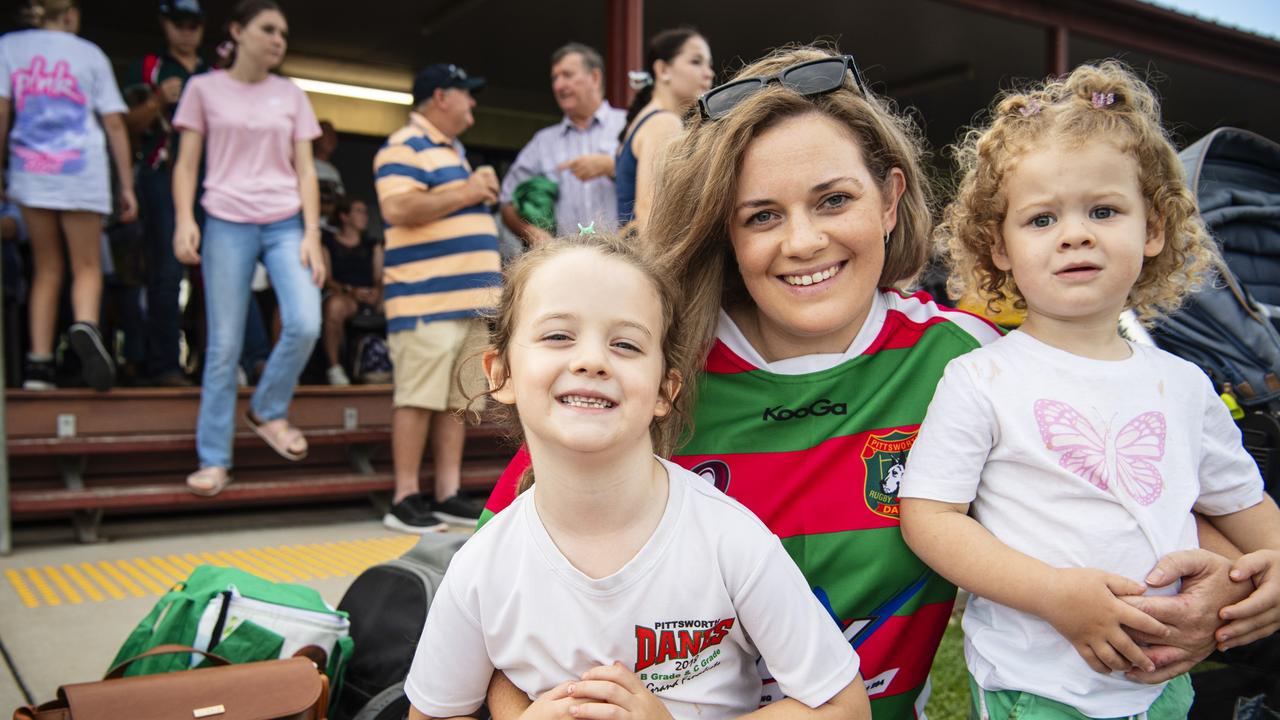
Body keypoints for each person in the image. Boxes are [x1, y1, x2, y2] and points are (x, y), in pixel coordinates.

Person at [479, 47, 1277, 719]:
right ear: (723, 227)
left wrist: (1214, 596)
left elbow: (1131, 486)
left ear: (892, 200)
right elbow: (490, 599)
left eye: (834, 200)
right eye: (761, 216)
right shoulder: (646, 370)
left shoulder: (965, 361)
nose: (803, 241)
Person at [899, 61, 1280, 720]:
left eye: (1104, 210)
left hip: (1165, 684)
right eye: (1041, 219)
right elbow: (928, 518)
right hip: (1039, 688)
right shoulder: (983, 378)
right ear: (999, 246)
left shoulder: (1184, 385)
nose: (1075, 233)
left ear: (1153, 229)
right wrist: (1053, 593)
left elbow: (1246, 508)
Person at [404, 233, 871, 720]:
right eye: (558, 335)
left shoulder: (729, 540)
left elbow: (843, 706)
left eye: (625, 344)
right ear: (499, 374)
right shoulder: (481, 567)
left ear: (664, 390)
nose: (590, 360)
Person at [171, 0, 324, 496]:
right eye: (268, 29)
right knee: (224, 346)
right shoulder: (203, 88)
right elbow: (186, 164)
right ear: (237, 31)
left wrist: (313, 235)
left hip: (284, 221)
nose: (279, 39)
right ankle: (214, 459)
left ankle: (267, 409)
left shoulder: (291, 94)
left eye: (283, 32)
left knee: (305, 320)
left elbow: (305, 169)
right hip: (225, 219)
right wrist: (183, 220)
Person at [374, 62, 501, 532]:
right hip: (425, 300)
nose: (473, 103)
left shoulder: (453, 151)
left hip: (465, 301)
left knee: (458, 400)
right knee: (418, 397)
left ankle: (447, 492)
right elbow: (397, 207)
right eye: (467, 93)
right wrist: (469, 192)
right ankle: (405, 495)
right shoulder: (403, 146)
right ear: (442, 97)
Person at [0, 0, 137, 392]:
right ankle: (85, 327)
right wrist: (126, 185)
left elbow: (2, 112)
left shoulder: (10, 47)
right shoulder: (89, 53)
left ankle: (38, 366)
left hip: (31, 169)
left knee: (46, 268)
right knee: (88, 267)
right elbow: (113, 122)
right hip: (81, 170)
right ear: (71, 14)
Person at [123, 0, 208, 387]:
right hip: (162, 175)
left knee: (219, 273)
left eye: (194, 24)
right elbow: (124, 126)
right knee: (167, 272)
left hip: (213, 180)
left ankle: (223, 362)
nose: (187, 31)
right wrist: (158, 100)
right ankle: (165, 366)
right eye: (180, 23)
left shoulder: (214, 73)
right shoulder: (150, 68)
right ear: (165, 24)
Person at [498, 43, 627, 243]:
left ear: (595, 77)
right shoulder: (543, 142)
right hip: (566, 265)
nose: (558, 85)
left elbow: (661, 183)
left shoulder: (628, 124)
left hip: (627, 260)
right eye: (555, 78)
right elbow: (506, 201)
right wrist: (535, 236)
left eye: (567, 75)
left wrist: (613, 167)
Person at [614, 28, 713, 231]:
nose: (709, 73)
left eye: (709, 64)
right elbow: (650, 216)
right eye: (696, 61)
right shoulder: (663, 123)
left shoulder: (647, 120)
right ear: (662, 70)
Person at [321, 196, 382, 385]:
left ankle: (392, 365)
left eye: (365, 211)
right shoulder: (328, 243)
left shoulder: (373, 245)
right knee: (334, 307)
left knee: (398, 303)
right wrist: (350, 290)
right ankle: (335, 368)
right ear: (344, 216)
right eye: (359, 211)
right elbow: (326, 278)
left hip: (371, 294)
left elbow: (379, 277)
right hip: (344, 294)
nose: (365, 216)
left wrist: (377, 292)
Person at [314, 119, 344, 226]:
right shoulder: (305, 167)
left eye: (333, 135)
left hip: (328, 229)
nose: (332, 138)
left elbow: (340, 202)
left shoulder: (333, 171)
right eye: (327, 133)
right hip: (306, 228)